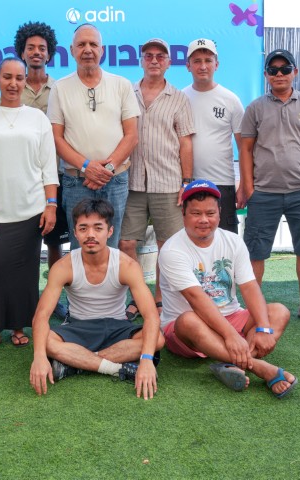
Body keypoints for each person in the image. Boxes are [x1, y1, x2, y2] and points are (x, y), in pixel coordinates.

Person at [158, 180, 297, 399]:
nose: (204, 220)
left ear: (219, 213)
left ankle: (232, 363)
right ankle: (259, 367)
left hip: (231, 316)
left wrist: (263, 328)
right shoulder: (172, 250)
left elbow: (249, 287)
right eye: (196, 213)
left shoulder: (232, 241)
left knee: (279, 312)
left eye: (210, 213)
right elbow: (196, 299)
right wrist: (231, 336)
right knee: (188, 320)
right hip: (187, 329)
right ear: (183, 213)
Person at [0, 58, 59, 355]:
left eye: (19, 78)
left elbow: (48, 166)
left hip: (31, 209)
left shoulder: (37, 119)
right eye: (7, 77)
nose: (13, 83)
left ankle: (19, 326)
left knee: (24, 272)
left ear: (25, 81)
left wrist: (51, 205)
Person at [30, 199, 164, 400]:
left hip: (116, 326)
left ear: (110, 231)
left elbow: (151, 315)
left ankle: (75, 364)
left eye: (98, 228)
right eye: (83, 228)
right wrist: (39, 356)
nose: (90, 234)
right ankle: (116, 369)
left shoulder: (126, 265)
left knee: (158, 339)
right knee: (45, 341)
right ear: (75, 233)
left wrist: (146, 360)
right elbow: (41, 315)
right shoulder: (64, 266)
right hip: (78, 326)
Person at [239, 48, 300, 327]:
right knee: (256, 253)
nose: (279, 74)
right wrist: (249, 188)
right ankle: (252, 313)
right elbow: (245, 149)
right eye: (273, 70)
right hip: (263, 194)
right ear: (266, 75)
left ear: (295, 72)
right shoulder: (255, 108)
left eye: (285, 69)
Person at [119, 38, 195, 321]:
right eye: (148, 55)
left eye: (160, 56)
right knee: (126, 243)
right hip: (131, 181)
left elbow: (185, 142)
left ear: (169, 62)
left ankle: (161, 298)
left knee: (168, 246)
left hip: (168, 182)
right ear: (140, 60)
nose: (154, 60)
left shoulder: (179, 98)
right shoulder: (126, 93)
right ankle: (139, 298)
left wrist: (187, 182)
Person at [47, 23, 140, 249]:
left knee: (111, 245)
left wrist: (106, 170)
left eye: (93, 44)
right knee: (80, 247)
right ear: (72, 50)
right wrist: (87, 166)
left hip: (115, 180)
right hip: (77, 181)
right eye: (81, 44)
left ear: (102, 50)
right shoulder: (60, 88)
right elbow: (56, 138)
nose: (87, 49)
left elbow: (132, 135)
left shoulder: (122, 85)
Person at [15, 21, 70, 320]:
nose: (36, 52)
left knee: (55, 242)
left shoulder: (60, 89)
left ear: (49, 54)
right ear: (22, 52)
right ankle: (26, 301)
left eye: (42, 48)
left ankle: (54, 299)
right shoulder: (13, 87)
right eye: (31, 48)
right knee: (26, 243)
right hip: (22, 178)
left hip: (55, 177)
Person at [183, 38, 244, 233]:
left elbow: (244, 147)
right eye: (197, 61)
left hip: (222, 183)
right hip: (188, 183)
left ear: (216, 65)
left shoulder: (231, 100)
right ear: (188, 66)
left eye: (208, 60)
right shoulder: (180, 98)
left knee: (226, 241)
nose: (203, 66)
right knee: (191, 241)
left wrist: (243, 184)